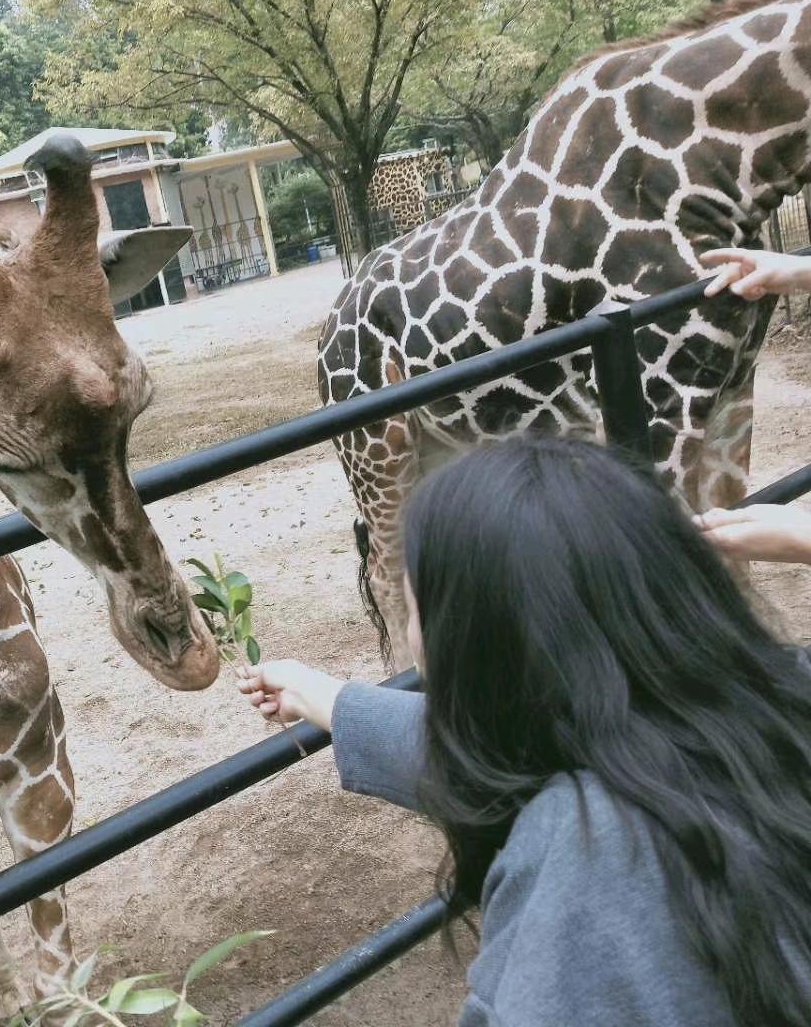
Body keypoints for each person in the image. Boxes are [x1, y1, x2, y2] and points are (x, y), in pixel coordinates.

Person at [237, 435, 811, 1026]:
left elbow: (506, 758)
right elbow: (508, 748)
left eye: (418, 613)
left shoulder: (589, 852)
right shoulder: (774, 706)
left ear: (469, 645)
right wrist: (321, 696)